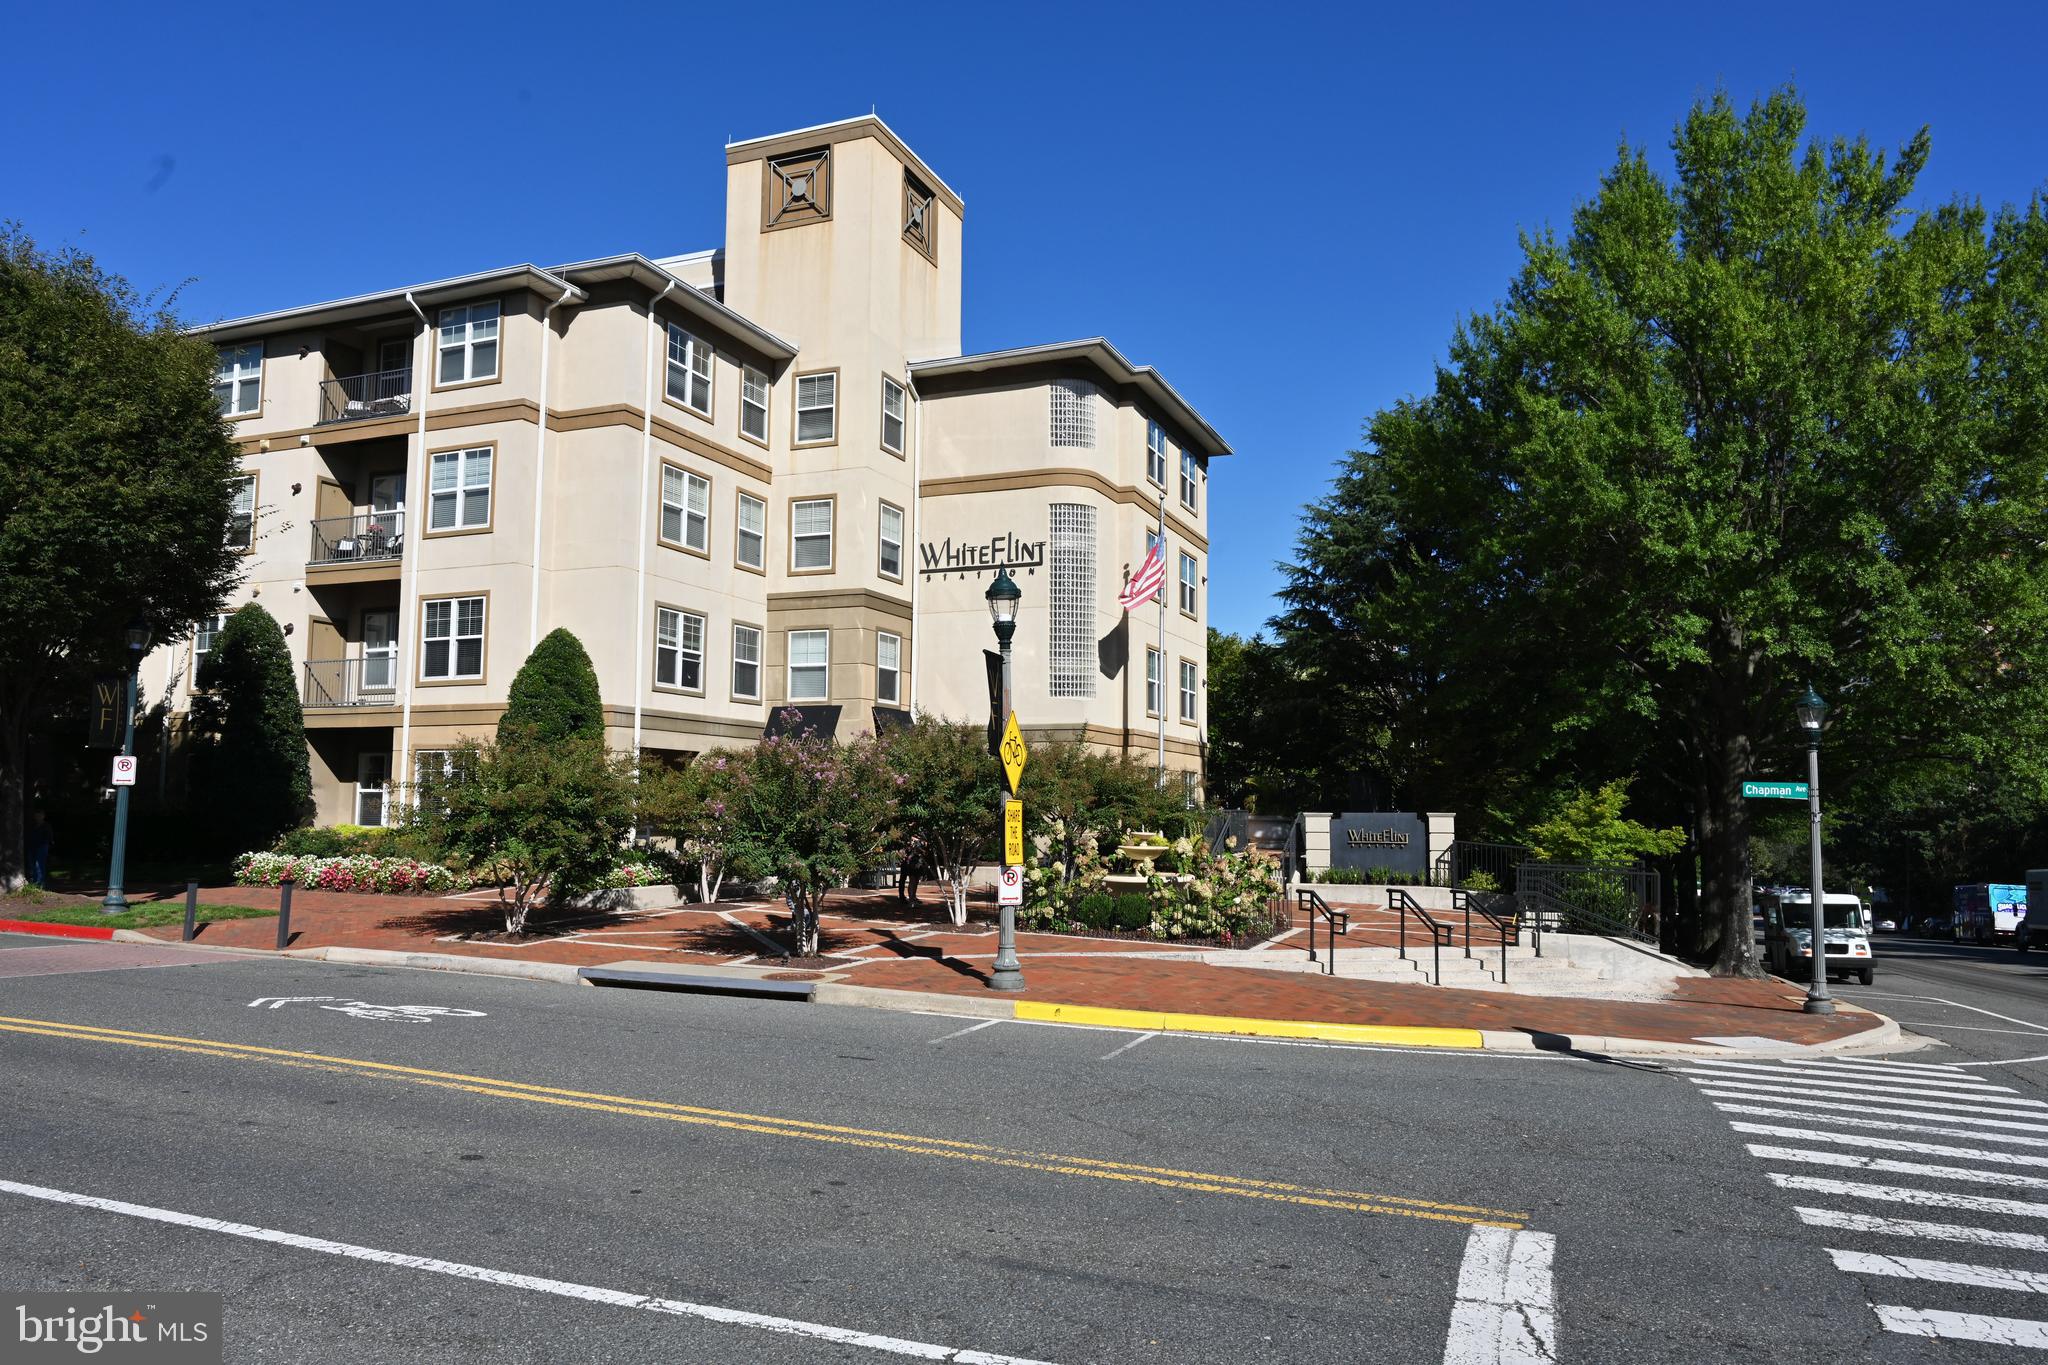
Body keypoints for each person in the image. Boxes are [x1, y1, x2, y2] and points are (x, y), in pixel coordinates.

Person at [26, 810, 53, 887]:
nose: (38, 817)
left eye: (40, 815)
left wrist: (47, 844)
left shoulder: (46, 825)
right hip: (32, 847)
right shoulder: (32, 825)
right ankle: (35, 882)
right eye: (36, 815)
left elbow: (49, 837)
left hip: (42, 846)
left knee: (39, 864)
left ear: (43, 816)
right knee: (32, 864)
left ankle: (40, 883)